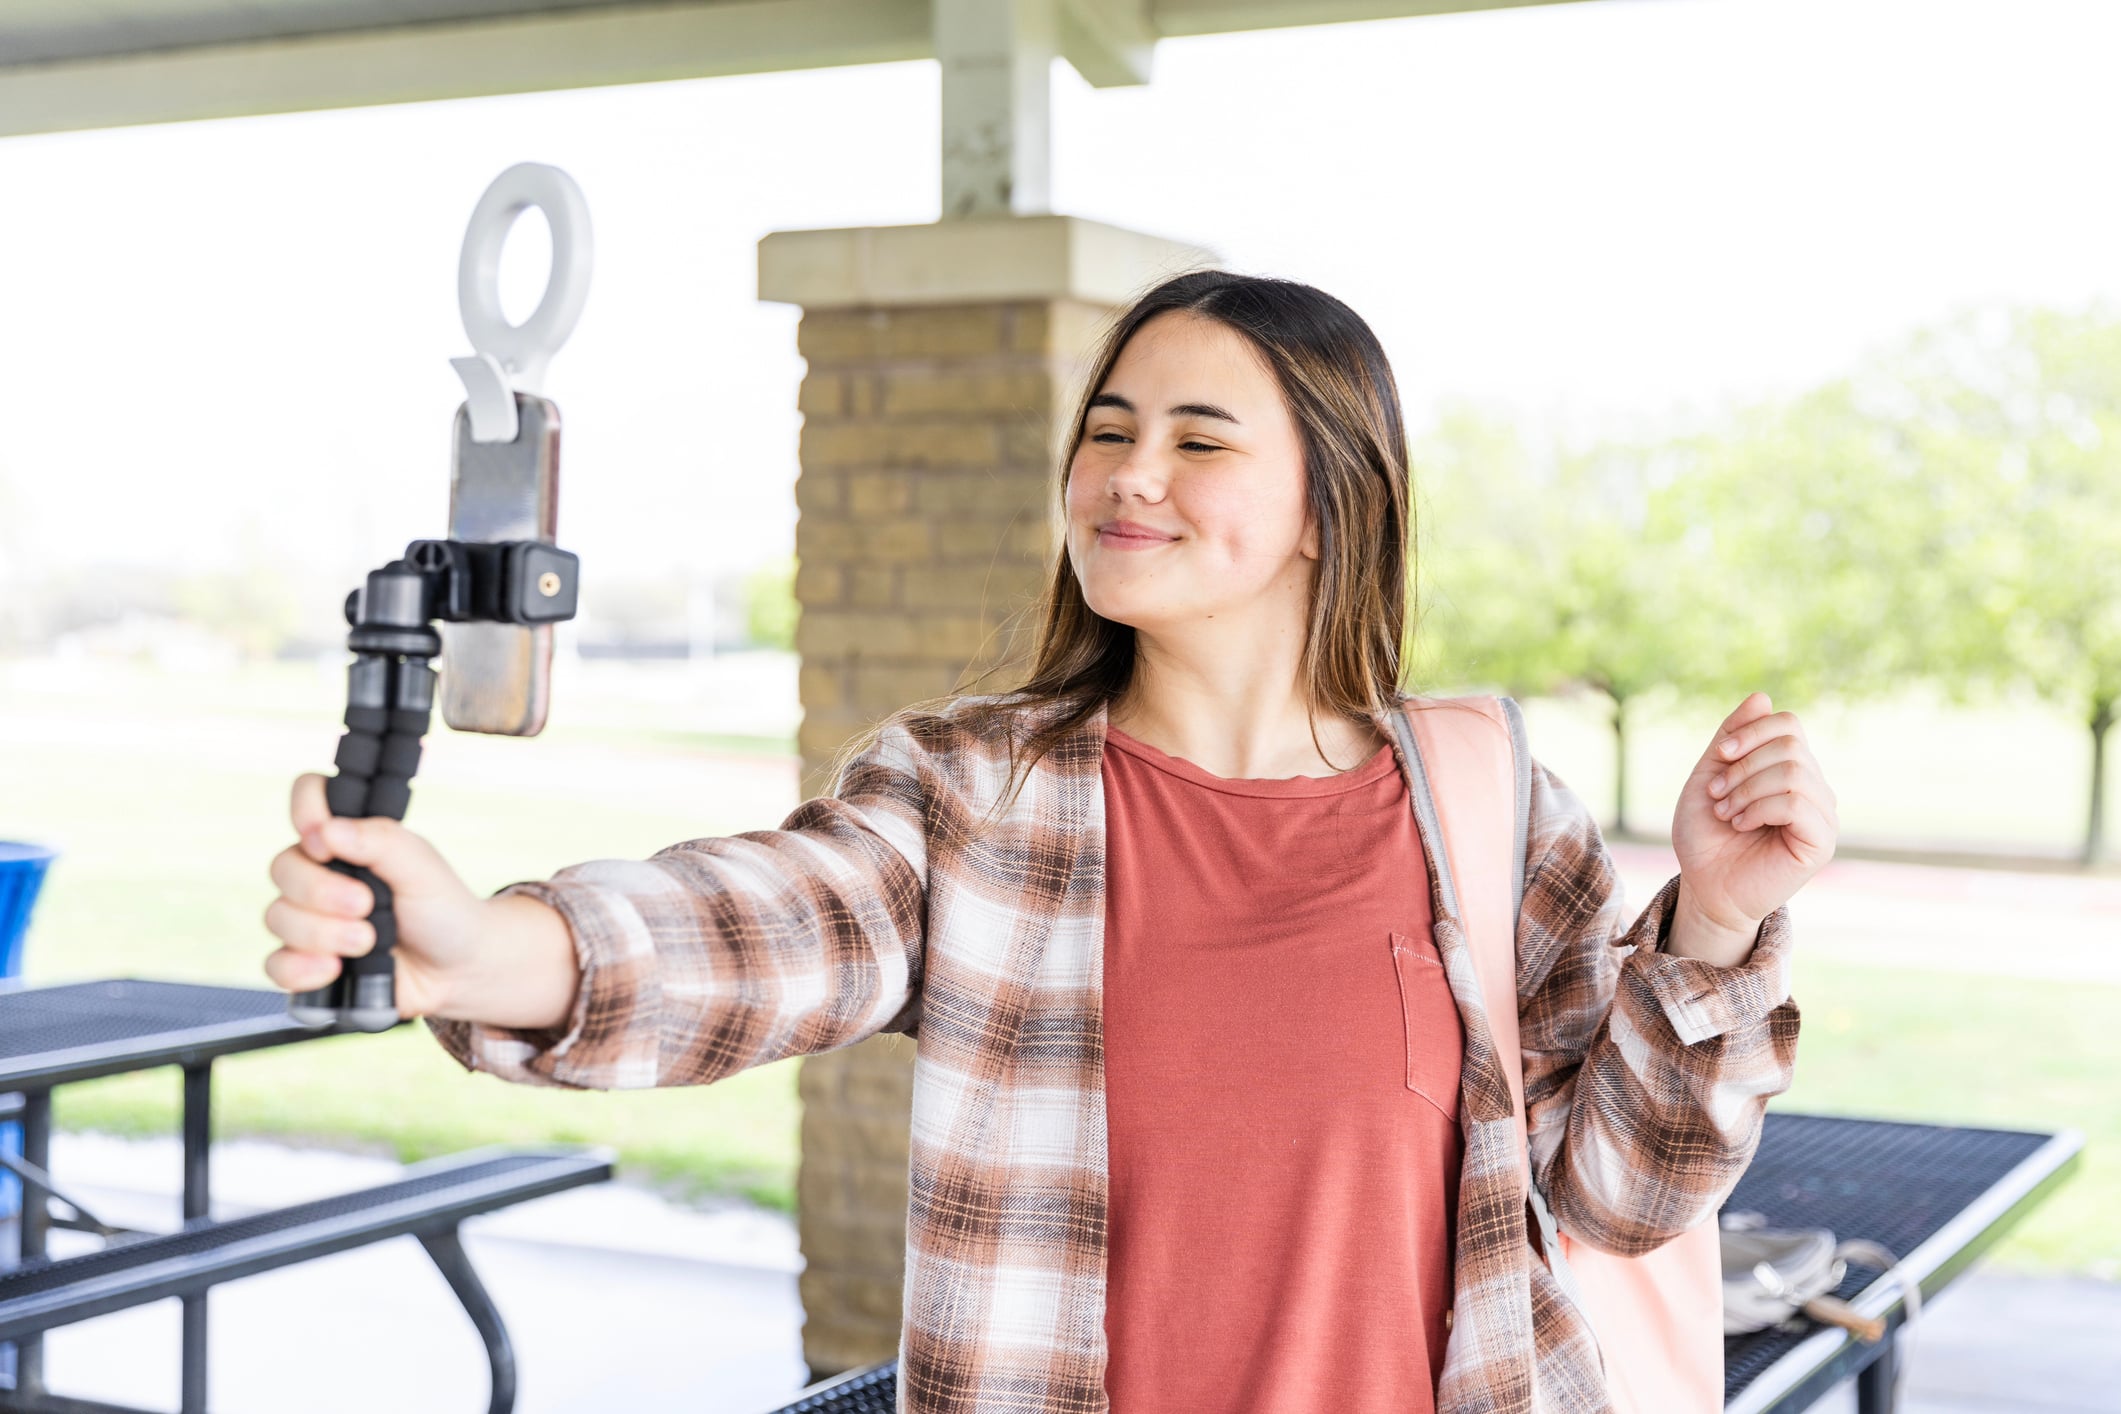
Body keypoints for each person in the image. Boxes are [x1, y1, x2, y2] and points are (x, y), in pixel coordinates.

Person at [262, 270, 1832, 1413]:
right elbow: (753, 924)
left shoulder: (1484, 805)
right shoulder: (979, 798)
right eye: (1106, 429)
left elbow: (1618, 1195)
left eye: (1199, 439)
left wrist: (1707, 917)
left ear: (1323, 507)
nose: (1126, 474)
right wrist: (484, 947)